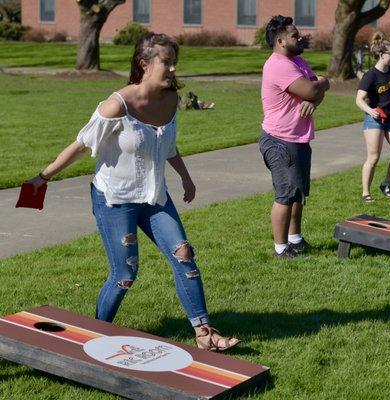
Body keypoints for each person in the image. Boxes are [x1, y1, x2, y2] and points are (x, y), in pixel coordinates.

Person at [26, 33, 238, 352]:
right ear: (145, 64)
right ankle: (94, 335)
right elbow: (82, 145)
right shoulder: (117, 106)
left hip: (154, 199)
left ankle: (205, 334)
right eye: (166, 62)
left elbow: (166, 145)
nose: (172, 69)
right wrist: (43, 177)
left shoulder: (169, 100)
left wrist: (186, 178)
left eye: (174, 63)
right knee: (125, 274)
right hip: (115, 200)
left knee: (184, 255)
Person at [259, 15, 330, 258]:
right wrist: (323, 84)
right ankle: (280, 248)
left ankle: (295, 239)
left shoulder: (298, 61)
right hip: (279, 139)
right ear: (280, 40)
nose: (299, 38)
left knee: (298, 192)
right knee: (285, 194)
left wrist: (317, 97)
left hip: (298, 137)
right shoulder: (278, 65)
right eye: (294, 35)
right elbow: (312, 88)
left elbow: (315, 90)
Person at [355, 32, 390, 202]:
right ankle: (366, 193)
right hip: (374, 120)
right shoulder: (370, 75)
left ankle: (385, 183)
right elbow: (359, 99)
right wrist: (370, 111)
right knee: (373, 157)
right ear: (380, 54)